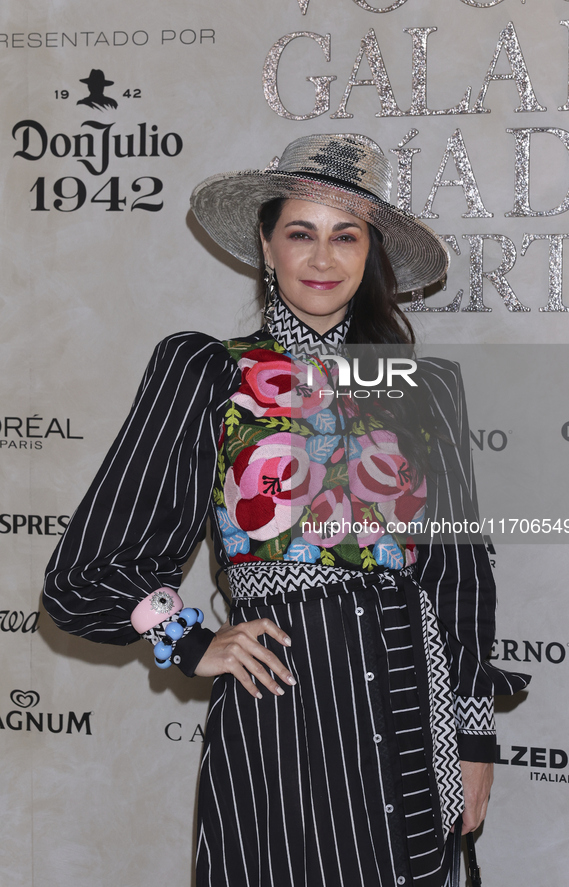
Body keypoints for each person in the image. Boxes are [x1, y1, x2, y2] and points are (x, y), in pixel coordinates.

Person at [43, 133, 529, 887]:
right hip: (287, 714)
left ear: (370, 255)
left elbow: (459, 577)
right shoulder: (208, 371)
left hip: (414, 706)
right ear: (265, 246)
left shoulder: (424, 387)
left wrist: (471, 740)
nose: (322, 256)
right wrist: (189, 638)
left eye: (346, 236)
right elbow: (90, 569)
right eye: (300, 232)